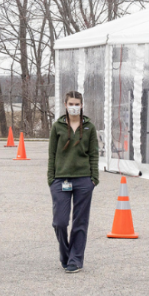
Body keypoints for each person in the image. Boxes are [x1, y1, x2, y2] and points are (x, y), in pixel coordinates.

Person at [47, 91, 99, 273]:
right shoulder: (57, 127)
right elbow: (52, 154)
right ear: (65, 104)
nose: (74, 107)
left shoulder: (89, 127)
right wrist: (51, 179)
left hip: (84, 181)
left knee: (80, 221)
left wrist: (93, 179)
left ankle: (75, 259)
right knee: (60, 222)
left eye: (77, 104)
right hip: (61, 180)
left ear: (82, 105)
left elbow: (94, 154)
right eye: (71, 103)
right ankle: (65, 254)